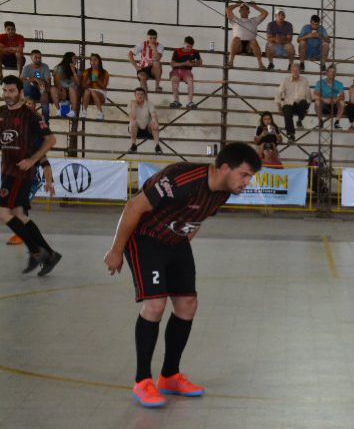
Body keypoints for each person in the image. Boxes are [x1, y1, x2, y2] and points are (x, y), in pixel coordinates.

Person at [103, 143, 262, 408]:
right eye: (244, 175)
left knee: (187, 305)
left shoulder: (223, 192)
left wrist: (180, 251)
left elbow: (196, 218)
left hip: (175, 241)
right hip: (145, 238)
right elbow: (133, 207)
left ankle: (170, 376)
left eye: (250, 177)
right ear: (224, 168)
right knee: (155, 305)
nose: (247, 182)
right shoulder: (180, 178)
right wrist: (116, 250)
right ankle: (143, 380)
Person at [0, 75, 62, 275]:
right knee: (18, 214)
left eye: (11, 90)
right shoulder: (1, 113)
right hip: (7, 169)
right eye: (4, 90)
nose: (7, 94)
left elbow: (51, 140)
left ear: (19, 92)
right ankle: (51, 254)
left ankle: (36, 252)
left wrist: (33, 160)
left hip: (21, 171)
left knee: (2, 212)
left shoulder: (30, 115)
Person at [275, 62, 312, 141]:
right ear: (291, 71)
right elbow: (278, 93)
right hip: (289, 104)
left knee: (303, 102)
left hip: (300, 104)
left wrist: (307, 107)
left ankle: (300, 120)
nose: (295, 72)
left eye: (297, 70)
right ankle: (291, 134)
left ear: (300, 71)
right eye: (293, 70)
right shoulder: (286, 80)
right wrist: (279, 107)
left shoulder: (304, 80)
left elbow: (308, 95)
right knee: (287, 112)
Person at [226, 2, 268, 69]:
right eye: (242, 9)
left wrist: (255, 6)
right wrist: (237, 4)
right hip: (238, 45)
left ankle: (260, 64)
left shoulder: (254, 20)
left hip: (250, 46)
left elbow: (265, 13)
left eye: (246, 9)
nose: (244, 11)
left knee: (253, 41)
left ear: (249, 12)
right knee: (236, 39)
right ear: (239, 11)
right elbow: (228, 9)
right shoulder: (235, 19)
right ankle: (230, 62)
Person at [169, 36, 202, 109]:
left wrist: (194, 63)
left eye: (191, 47)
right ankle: (176, 101)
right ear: (184, 44)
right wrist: (185, 63)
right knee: (174, 81)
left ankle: (190, 102)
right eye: (187, 46)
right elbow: (172, 64)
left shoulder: (195, 52)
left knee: (190, 81)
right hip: (176, 71)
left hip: (187, 71)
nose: (189, 48)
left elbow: (200, 62)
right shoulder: (177, 51)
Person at [128, 88, 161, 154]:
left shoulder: (149, 103)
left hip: (147, 128)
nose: (140, 96)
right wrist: (134, 106)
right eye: (138, 94)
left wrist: (154, 120)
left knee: (154, 122)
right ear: (135, 95)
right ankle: (133, 145)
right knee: (133, 123)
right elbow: (132, 118)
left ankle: (157, 146)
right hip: (136, 130)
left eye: (142, 94)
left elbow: (153, 114)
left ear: (144, 96)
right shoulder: (131, 103)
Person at [21, 49, 51, 122]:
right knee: (26, 85)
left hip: (42, 89)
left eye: (39, 57)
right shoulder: (27, 68)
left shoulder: (45, 66)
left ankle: (45, 123)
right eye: (36, 57)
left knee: (44, 101)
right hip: (32, 91)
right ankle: (30, 121)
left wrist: (40, 83)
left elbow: (48, 81)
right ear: (31, 57)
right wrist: (34, 79)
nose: (38, 59)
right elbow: (21, 80)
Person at [79, 53, 109, 121]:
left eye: (95, 60)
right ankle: (84, 112)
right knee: (87, 91)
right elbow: (83, 86)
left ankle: (100, 112)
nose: (93, 62)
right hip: (89, 93)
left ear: (99, 61)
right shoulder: (87, 71)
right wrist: (88, 82)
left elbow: (104, 86)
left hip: (100, 92)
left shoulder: (104, 72)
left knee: (92, 92)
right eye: (91, 60)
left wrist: (97, 80)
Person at [312, 64, 344, 128]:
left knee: (342, 102)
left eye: (333, 72)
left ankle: (337, 122)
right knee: (317, 101)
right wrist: (323, 99)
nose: (332, 73)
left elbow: (342, 96)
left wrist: (335, 99)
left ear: (335, 74)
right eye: (330, 71)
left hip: (334, 105)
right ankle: (320, 121)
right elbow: (315, 95)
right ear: (326, 73)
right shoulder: (320, 83)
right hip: (324, 105)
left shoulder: (339, 84)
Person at [51, 51, 79, 118]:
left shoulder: (75, 70)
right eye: (74, 58)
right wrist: (62, 89)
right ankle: (58, 110)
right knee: (52, 89)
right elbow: (56, 82)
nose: (76, 60)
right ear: (69, 59)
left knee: (72, 88)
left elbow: (78, 83)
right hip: (61, 91)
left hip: (72, 92)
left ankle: (73, 111)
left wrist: (73, 71)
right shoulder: (59, 68)